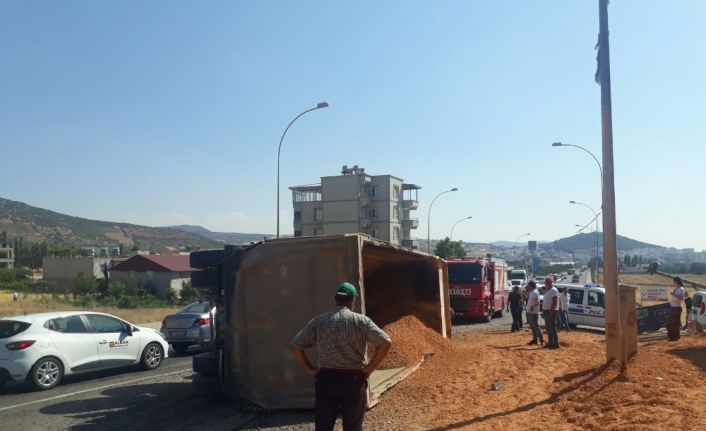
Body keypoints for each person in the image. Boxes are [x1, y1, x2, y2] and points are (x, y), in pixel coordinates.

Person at [291, 282, 392, 431]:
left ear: (335, 299)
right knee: (353, 427)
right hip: (353, 380)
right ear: (353, 301)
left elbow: (295, 345)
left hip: (326, 380)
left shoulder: (318, 321)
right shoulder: (361, 321)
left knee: (324, 426)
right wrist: (370, 368)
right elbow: (385, 342)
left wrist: (310, 369)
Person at [542, 276, 560, 349]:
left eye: (547, 282)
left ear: (550, 283)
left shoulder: (553, 290)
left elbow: (555, 302)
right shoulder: (548, 290)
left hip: (551, 311)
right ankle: (550, 342)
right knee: (548, 328)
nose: (545, 284)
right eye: (545, 282)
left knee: (552, 328)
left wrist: (550, 312)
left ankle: (555, 344)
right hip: (547, 310)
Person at [525, 281, 543, 345]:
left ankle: (541, 340)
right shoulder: (532, 292)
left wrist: (533, 306)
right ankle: (535, 340)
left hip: (533, 312)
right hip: (530, 312)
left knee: (536, 327)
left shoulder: (535, 292)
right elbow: (525, 296)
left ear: (531, 286)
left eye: (528, 286)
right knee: (533, 327)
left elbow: (538, 301)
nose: (528, 287)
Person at [667, 276, 685, 341]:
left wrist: (673, 294)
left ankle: (675, 337)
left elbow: (681, 298)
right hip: (673, 307)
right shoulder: (677, 288)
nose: (673, 283)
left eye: (674, 281)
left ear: (676, 282)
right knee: (671, 323)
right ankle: (672, 336)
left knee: (675, 323)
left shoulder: (681, 289)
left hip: (676, 308)